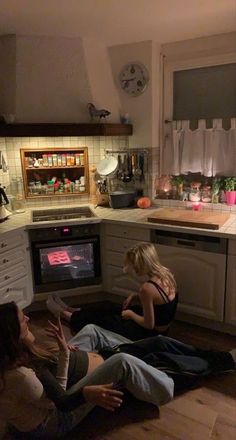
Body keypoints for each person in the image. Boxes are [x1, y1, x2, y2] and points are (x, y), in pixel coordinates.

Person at [0, 302, 174, 439]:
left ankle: (137, 347)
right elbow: (60, 402)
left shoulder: (13, 353)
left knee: (90, 331)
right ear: (12, 332)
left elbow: (45, 380)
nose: (28, 319)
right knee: (121, 361)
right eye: (23, 320)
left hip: (53, 393)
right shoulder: (20, 376)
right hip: (58, 417)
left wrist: (63, 351)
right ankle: (167, 387)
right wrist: (84, 391)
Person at [47, 242, 178, 340]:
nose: (133, 269)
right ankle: (71, 309)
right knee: (108, 309)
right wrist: (134, 296)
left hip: (149, 333)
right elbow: (160, 303)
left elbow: (149, 325)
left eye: (135, 264)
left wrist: (131, 314)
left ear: (143, 263)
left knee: (103, 322)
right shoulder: (166, 274)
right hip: (161, 326)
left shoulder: (147, 288)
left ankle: (63, 314)